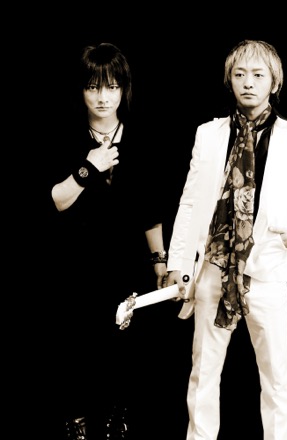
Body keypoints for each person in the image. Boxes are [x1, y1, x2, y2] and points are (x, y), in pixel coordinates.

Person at [165, 39, 287, 440]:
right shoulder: (209, 134)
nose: (248, 83)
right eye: (240, 74)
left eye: (258, 75)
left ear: (274, 82)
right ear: (230, 81)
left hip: (267, 268)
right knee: (203, 372)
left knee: (276, 376)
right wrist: (178, 264)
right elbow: (189, 202)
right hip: (213, 267)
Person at [42, 42, 169, 440]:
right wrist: (88, 167)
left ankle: (118, 420)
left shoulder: (142, 139)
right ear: (81, 90)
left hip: (125, 263)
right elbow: (56, 200)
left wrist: (159, 261)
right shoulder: (63, 134)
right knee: (75, 345)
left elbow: (150, 211)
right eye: (93, 87)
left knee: (123, 347)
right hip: (73, 263)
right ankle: (76, 421)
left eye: (112, 87)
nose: (103, 97)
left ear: (124, 89)